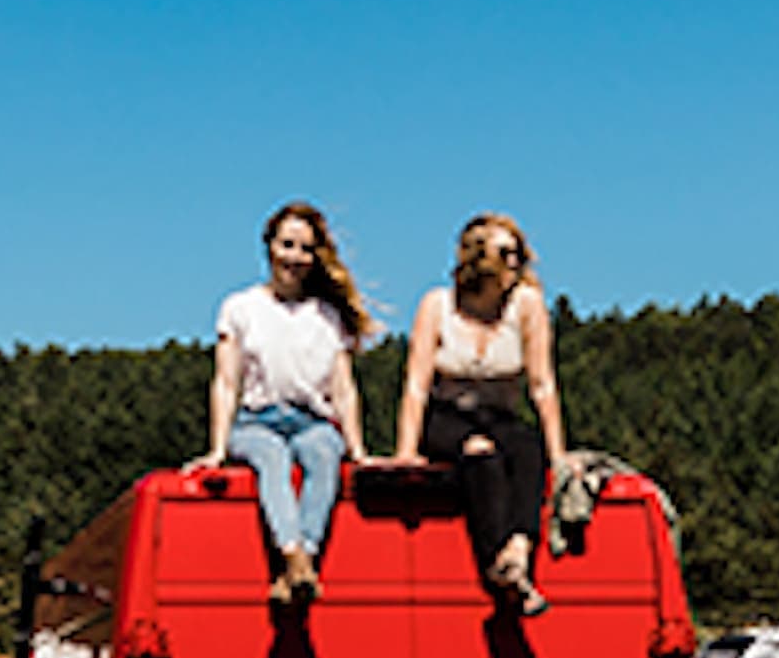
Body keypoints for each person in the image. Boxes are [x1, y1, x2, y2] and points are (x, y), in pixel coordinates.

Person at [189, 203, 371, 603]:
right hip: (257, 420)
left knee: (324, 456)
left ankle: (301, 560)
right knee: (270, 458)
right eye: (287, 244)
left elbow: (343, 389)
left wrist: (358, 450)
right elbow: (225, 381)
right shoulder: (240, 308)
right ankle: (296, 559)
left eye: (305, 249)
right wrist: (218, 448)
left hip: (313, 421)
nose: (294, 256)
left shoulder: (328, 316)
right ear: (269, 246)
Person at [393, 213, 568, 616]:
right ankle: (495, 566)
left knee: (527, 449)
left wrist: (559, 456)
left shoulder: (526, 306)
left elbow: (542, 385)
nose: (514, 263)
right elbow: (417, 385)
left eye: (518, 254)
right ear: (477, 256)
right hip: (446, 417)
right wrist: (405, 453)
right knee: (480, 455)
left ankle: (519, 551)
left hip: (499, 414)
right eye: (504, 253)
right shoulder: (438, 305)